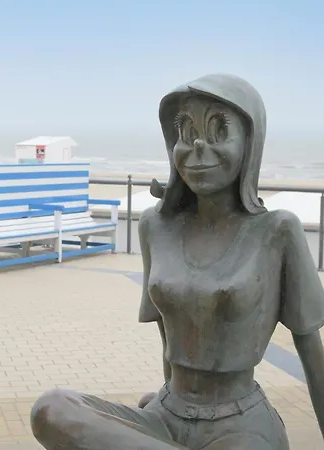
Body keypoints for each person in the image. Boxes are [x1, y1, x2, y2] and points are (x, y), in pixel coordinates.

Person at [30, 74, 324, 450]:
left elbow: (311, 353)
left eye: (219, 131)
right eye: (186, 132)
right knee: (51, 409)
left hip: (239, 425)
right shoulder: (156, 226)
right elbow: (167, 338)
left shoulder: (277, 230)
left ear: (251, 143)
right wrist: (165, 405)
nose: (198, 146)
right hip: (168, 413)